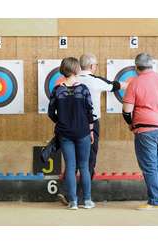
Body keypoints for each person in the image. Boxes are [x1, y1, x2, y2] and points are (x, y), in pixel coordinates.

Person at [57, 53, 127, 205]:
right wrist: (131, 83)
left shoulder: (63, 83)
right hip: (89, 125)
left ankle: (68, 195)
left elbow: (53, 109)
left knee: (70, 163)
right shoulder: (95, 81)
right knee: (88, 161)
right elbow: (114, 86)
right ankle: (83, 198)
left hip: (66, 126)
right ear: (92, 66)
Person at [122, 53, 158, 210]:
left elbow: (127, 111)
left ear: (136, 67)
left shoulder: (135, 82)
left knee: (149, 166)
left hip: (145, 130)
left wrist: (131, 124)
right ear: (151, 65)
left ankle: (156, 201)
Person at [48, 57, 95, 210]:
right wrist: (91, 130)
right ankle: (87, 201)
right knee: (84, 167)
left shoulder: (57, 90)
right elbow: (90, 112)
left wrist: (61, 121)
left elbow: (50, 113)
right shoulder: (83, 89)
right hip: (83, 132)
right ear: (76, 69)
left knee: (70, 166)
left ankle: (73, 202)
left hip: (65, 133)